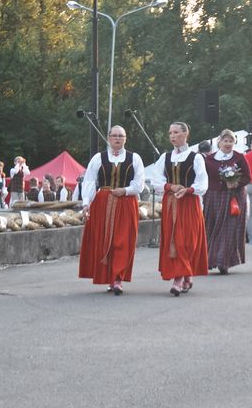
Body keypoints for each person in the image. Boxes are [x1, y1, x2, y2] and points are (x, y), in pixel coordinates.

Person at [78, 126, 145, 296]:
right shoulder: (98, 158)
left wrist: (125, 190)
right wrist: (86, 203)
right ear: (108, 138)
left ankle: (118, 278)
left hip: (126, 202)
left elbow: (139, 184)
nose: (117, 138)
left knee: (122, 241)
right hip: (103, 202)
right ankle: (110, 277)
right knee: (104, 239)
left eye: (120, 136)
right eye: (114, 135)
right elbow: (90, 181)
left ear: (125, 138)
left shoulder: (134, 158)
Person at [157, 122, 209, 296]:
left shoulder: (196, 157)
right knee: (174, 240)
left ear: (185, 134)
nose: (172, 136)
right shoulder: (165, 157)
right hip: (171, 203)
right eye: (170, 133)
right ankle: (180, 278)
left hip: (189, 203)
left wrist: (188, 190)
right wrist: (170, 186)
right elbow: (156, 179)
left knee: (187, 241)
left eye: (176, 132)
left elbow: (203, 183)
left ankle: (182, 276)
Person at [204, 129, 251, 274]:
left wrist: (236, 183)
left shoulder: (239, 157)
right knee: (212, 227)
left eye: (231, 141)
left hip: (233, 198)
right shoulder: (209, 159)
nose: (228, 144)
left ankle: (223, 262)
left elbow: (247, 177)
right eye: (225, 141)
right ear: (219, 142)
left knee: (229, 229)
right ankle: (211, 259)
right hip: (213, 197)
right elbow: (203, 177)